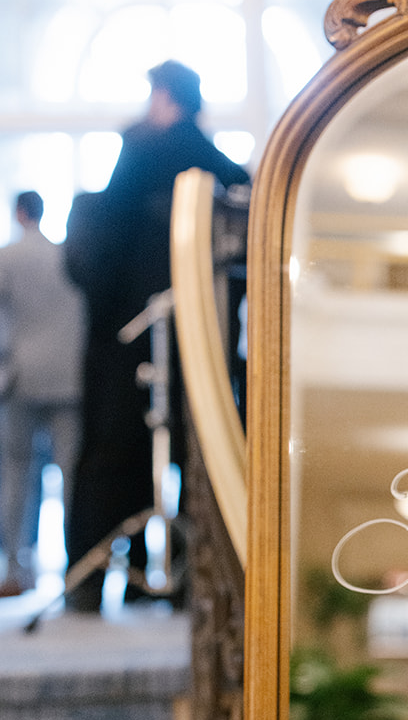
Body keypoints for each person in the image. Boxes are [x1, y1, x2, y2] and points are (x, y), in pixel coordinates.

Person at [65, 60, 249, 609]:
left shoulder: (139, 153)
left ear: (164, 98)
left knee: (114, 458)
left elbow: (100, 255)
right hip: (201, 343)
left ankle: (94, 583)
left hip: (128, 341)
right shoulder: (223, 170)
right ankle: (187, 583)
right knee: (197, 456)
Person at [0, 190, 86, 596]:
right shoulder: (65, 254)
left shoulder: (8, 258)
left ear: (19, 213)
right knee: (70, 475)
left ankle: (17, 569)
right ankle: (75, 571)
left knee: (17, 473)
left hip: (20, 377)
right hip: (68, 376)